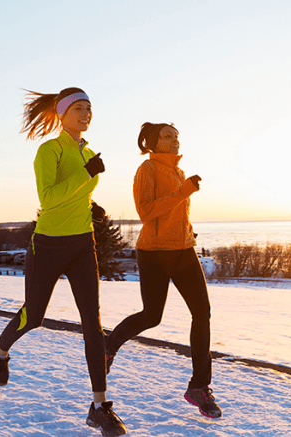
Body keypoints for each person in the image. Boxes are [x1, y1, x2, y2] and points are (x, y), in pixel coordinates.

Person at [0, 87, 128, 436]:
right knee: (34, 315)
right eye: (79, 108)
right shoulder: (49, 150)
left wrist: (91, 206)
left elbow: (75, 194)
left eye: (90, 108)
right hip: (48, 245)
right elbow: (48, 199)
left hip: (82, 244)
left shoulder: (88, 152)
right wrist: (86, 174)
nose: (86, 113)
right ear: (62, 114)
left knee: (92, 325)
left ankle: (99, 407)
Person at [105, 122, 222, 418]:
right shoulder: (148, 170)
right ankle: (109, 345)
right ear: (152, 142)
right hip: (154, 252)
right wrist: (183, 192)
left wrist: (189, 232)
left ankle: (199, 387)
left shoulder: (178, 171)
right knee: (152, 316)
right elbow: (146, 212)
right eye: (167, 136)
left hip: (184, 251)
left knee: (202, 313)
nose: (175, 141)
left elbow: (177, 213)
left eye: (177, 136)